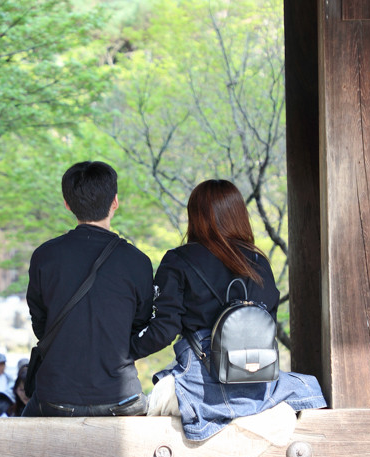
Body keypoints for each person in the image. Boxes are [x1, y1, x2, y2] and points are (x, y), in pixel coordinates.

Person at [131, 179, 327, 441]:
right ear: (239, 216)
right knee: (307, 388)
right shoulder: (258, 263)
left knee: (155, 398)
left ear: (195, 217)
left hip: (200, 379)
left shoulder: (178, 261)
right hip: (258, 380)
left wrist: (125, 351)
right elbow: (265, 325)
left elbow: (164, 329)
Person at [23, 160, 154, 417]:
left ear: (67, 204)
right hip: (121, 396)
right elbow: (141, 322)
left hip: (56, 396)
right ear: (115, 201)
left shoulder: (45, 256)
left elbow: (40, 322)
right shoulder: (137, 261)